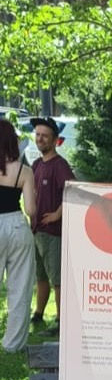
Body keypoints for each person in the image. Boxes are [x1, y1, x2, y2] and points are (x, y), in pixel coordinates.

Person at [30, 115, 75, 332]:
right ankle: (38, 314)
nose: (40, 139)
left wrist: (58, 213)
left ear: (55, 140)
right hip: (36, 230)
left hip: (53, 232)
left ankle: (61, 321)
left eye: (45, 136)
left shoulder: (60, 166)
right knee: (40, 276)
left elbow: (73, 192)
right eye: (38, 135)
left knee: (57, 278)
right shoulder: (36, 164)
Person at [0, 119, 36, 351]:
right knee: (20, 287)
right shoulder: (25, 171)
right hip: (16, 224)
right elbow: (31, 210)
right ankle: (13, 344)